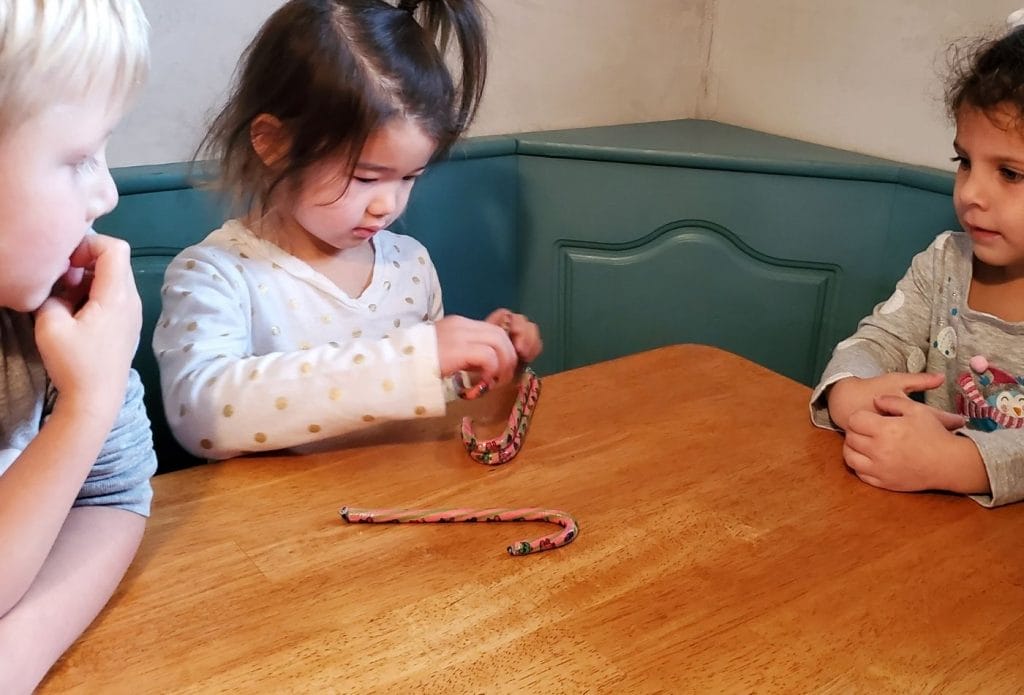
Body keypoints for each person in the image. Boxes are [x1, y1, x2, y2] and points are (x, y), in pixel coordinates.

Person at [154, 0, 542, 461]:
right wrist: (416, 359)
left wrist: (479, 360)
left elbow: (419, 394)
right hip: (286, 523)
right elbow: (204, 417)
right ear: (274, 144)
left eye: (409, 177)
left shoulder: (409, 262)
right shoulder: (216, 275)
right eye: (365, 178)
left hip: (403, 503)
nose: (388, 205)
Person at [0, 1, 157, 689]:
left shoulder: (51, 313)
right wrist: (86, 406)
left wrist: (20, 651)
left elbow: (115, 495)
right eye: (78, 159)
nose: (107, 192)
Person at [810, 10, 1024, 507]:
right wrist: (851, 394)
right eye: (965, 162)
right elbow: (878, 341)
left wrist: (957, 463)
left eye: (1011, 174)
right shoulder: (944, 261)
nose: (971, 192)